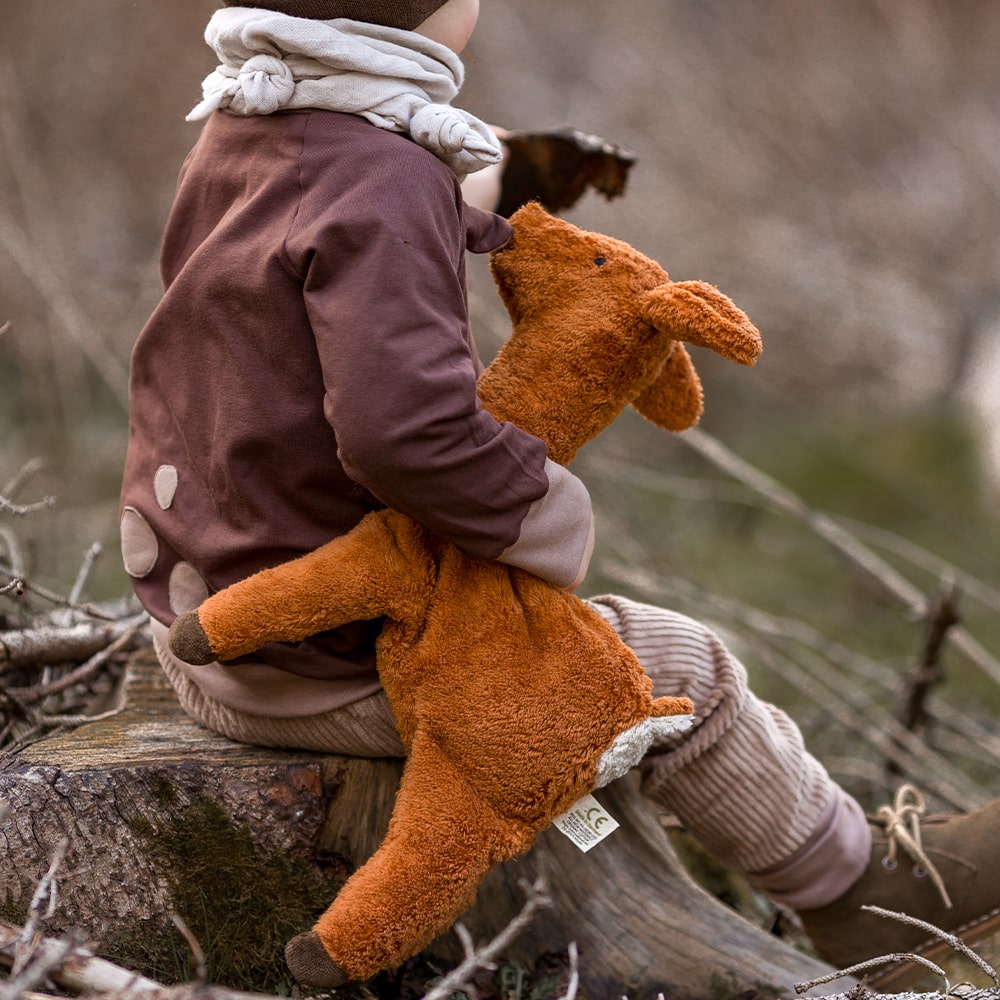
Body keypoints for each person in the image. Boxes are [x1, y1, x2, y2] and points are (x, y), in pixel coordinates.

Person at [120, 0, 1000, 979]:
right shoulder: (387, 183)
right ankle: (865, 893)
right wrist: (537, 511)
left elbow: (358, 175)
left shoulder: (251, 122)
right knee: (683, 668)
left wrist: (518, 167)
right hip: (328, 660)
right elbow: (399, 429)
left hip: (204, 602)